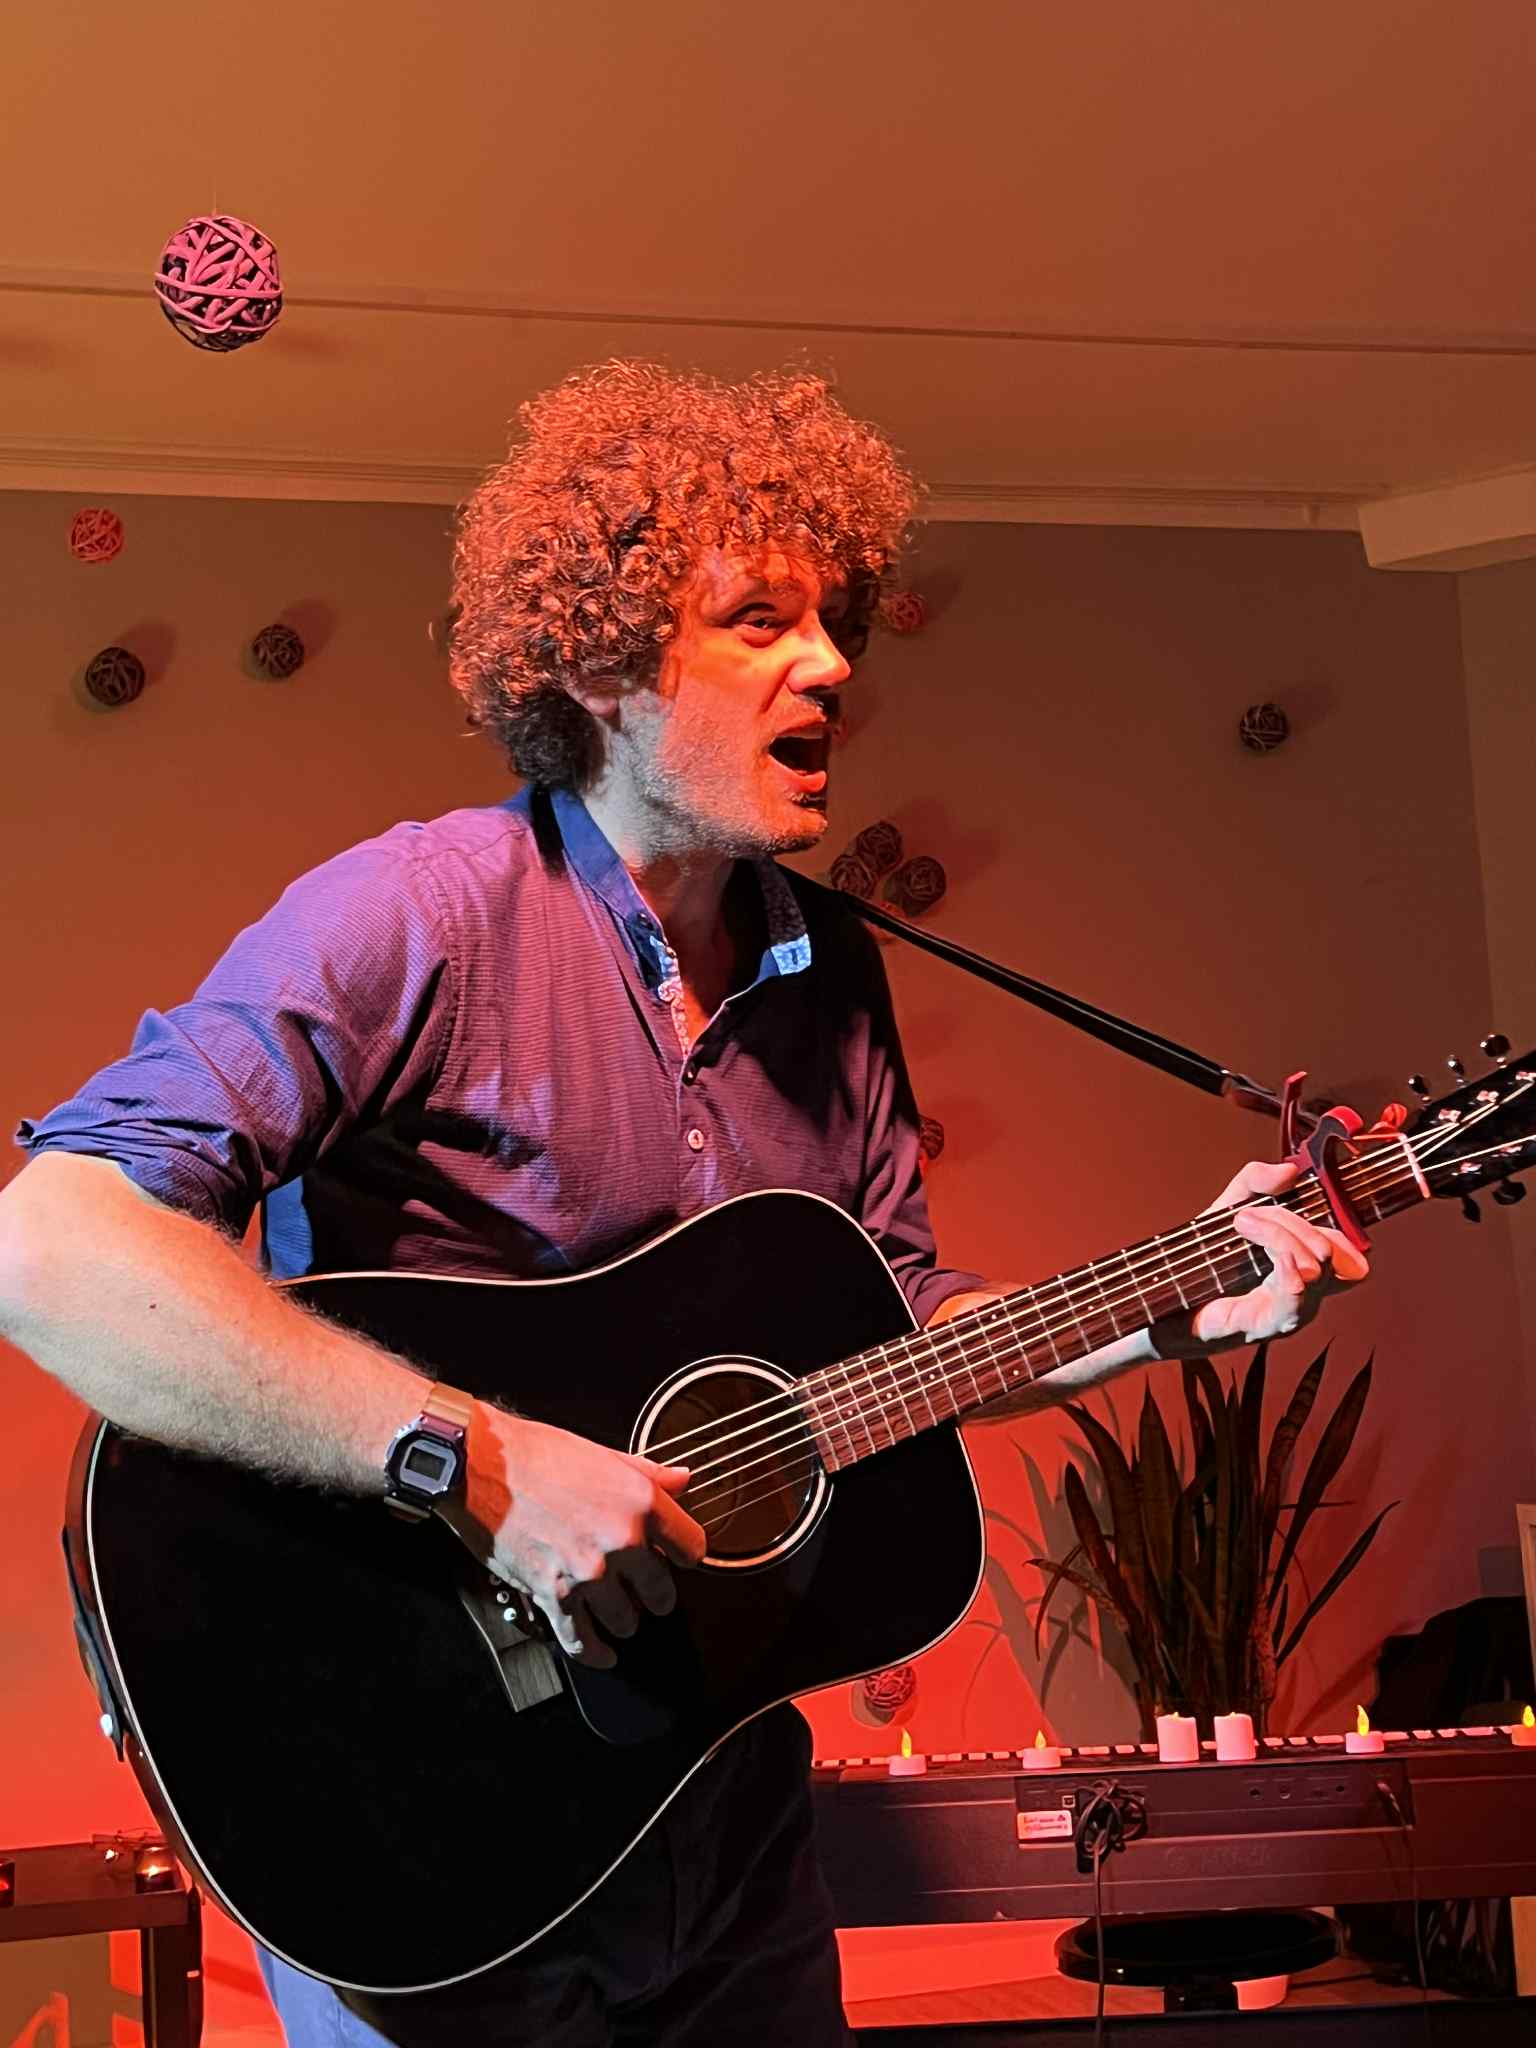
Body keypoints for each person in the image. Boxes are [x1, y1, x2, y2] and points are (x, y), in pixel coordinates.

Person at [0, 361, 1367, 2047]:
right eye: (759, 621)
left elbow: (906, 1337)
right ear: (599, 666)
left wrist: (1169, 1307)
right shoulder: (412, 919)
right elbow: (51, 1244)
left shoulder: (831, 969)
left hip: (723, 1831)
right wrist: (476, 1465)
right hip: (427, 1835)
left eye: (837, 621)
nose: (833, 663)